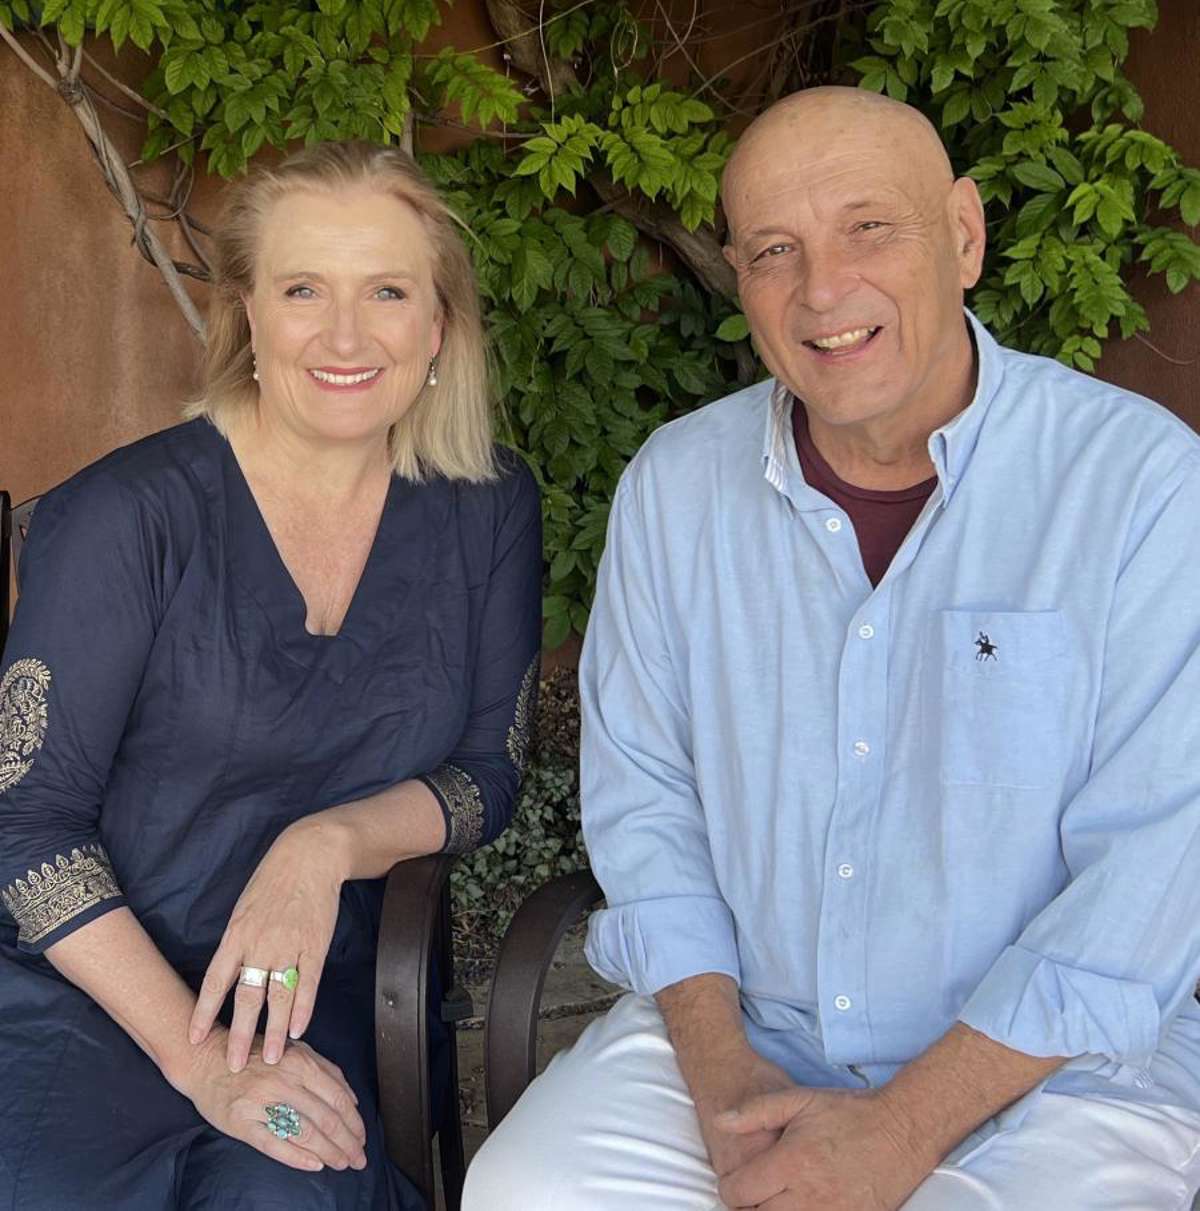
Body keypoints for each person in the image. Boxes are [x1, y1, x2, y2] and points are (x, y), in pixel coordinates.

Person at [463, 86, 1200, 1210]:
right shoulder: (675, 487)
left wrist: (899, 1129)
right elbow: (648, 807)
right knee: (526, 1189)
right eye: (774, 250)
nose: (822, 288)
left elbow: (1154, 872)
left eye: (870, 227)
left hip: (1055, 1074)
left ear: (964, 235)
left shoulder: (1143, 487)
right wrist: (725, 1081)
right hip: (747, 1031)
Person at [0, 140, 542, 1210]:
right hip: (84, 985)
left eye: (386, 291)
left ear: (438, 325)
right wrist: (200, 1060)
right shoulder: (127, 517)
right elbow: (26, 823)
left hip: (303, 992)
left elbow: (491, 773)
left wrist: (322, 846)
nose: (345, 335)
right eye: (304, 290)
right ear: (247, 314)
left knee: (293, 1189)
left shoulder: (487, 505)